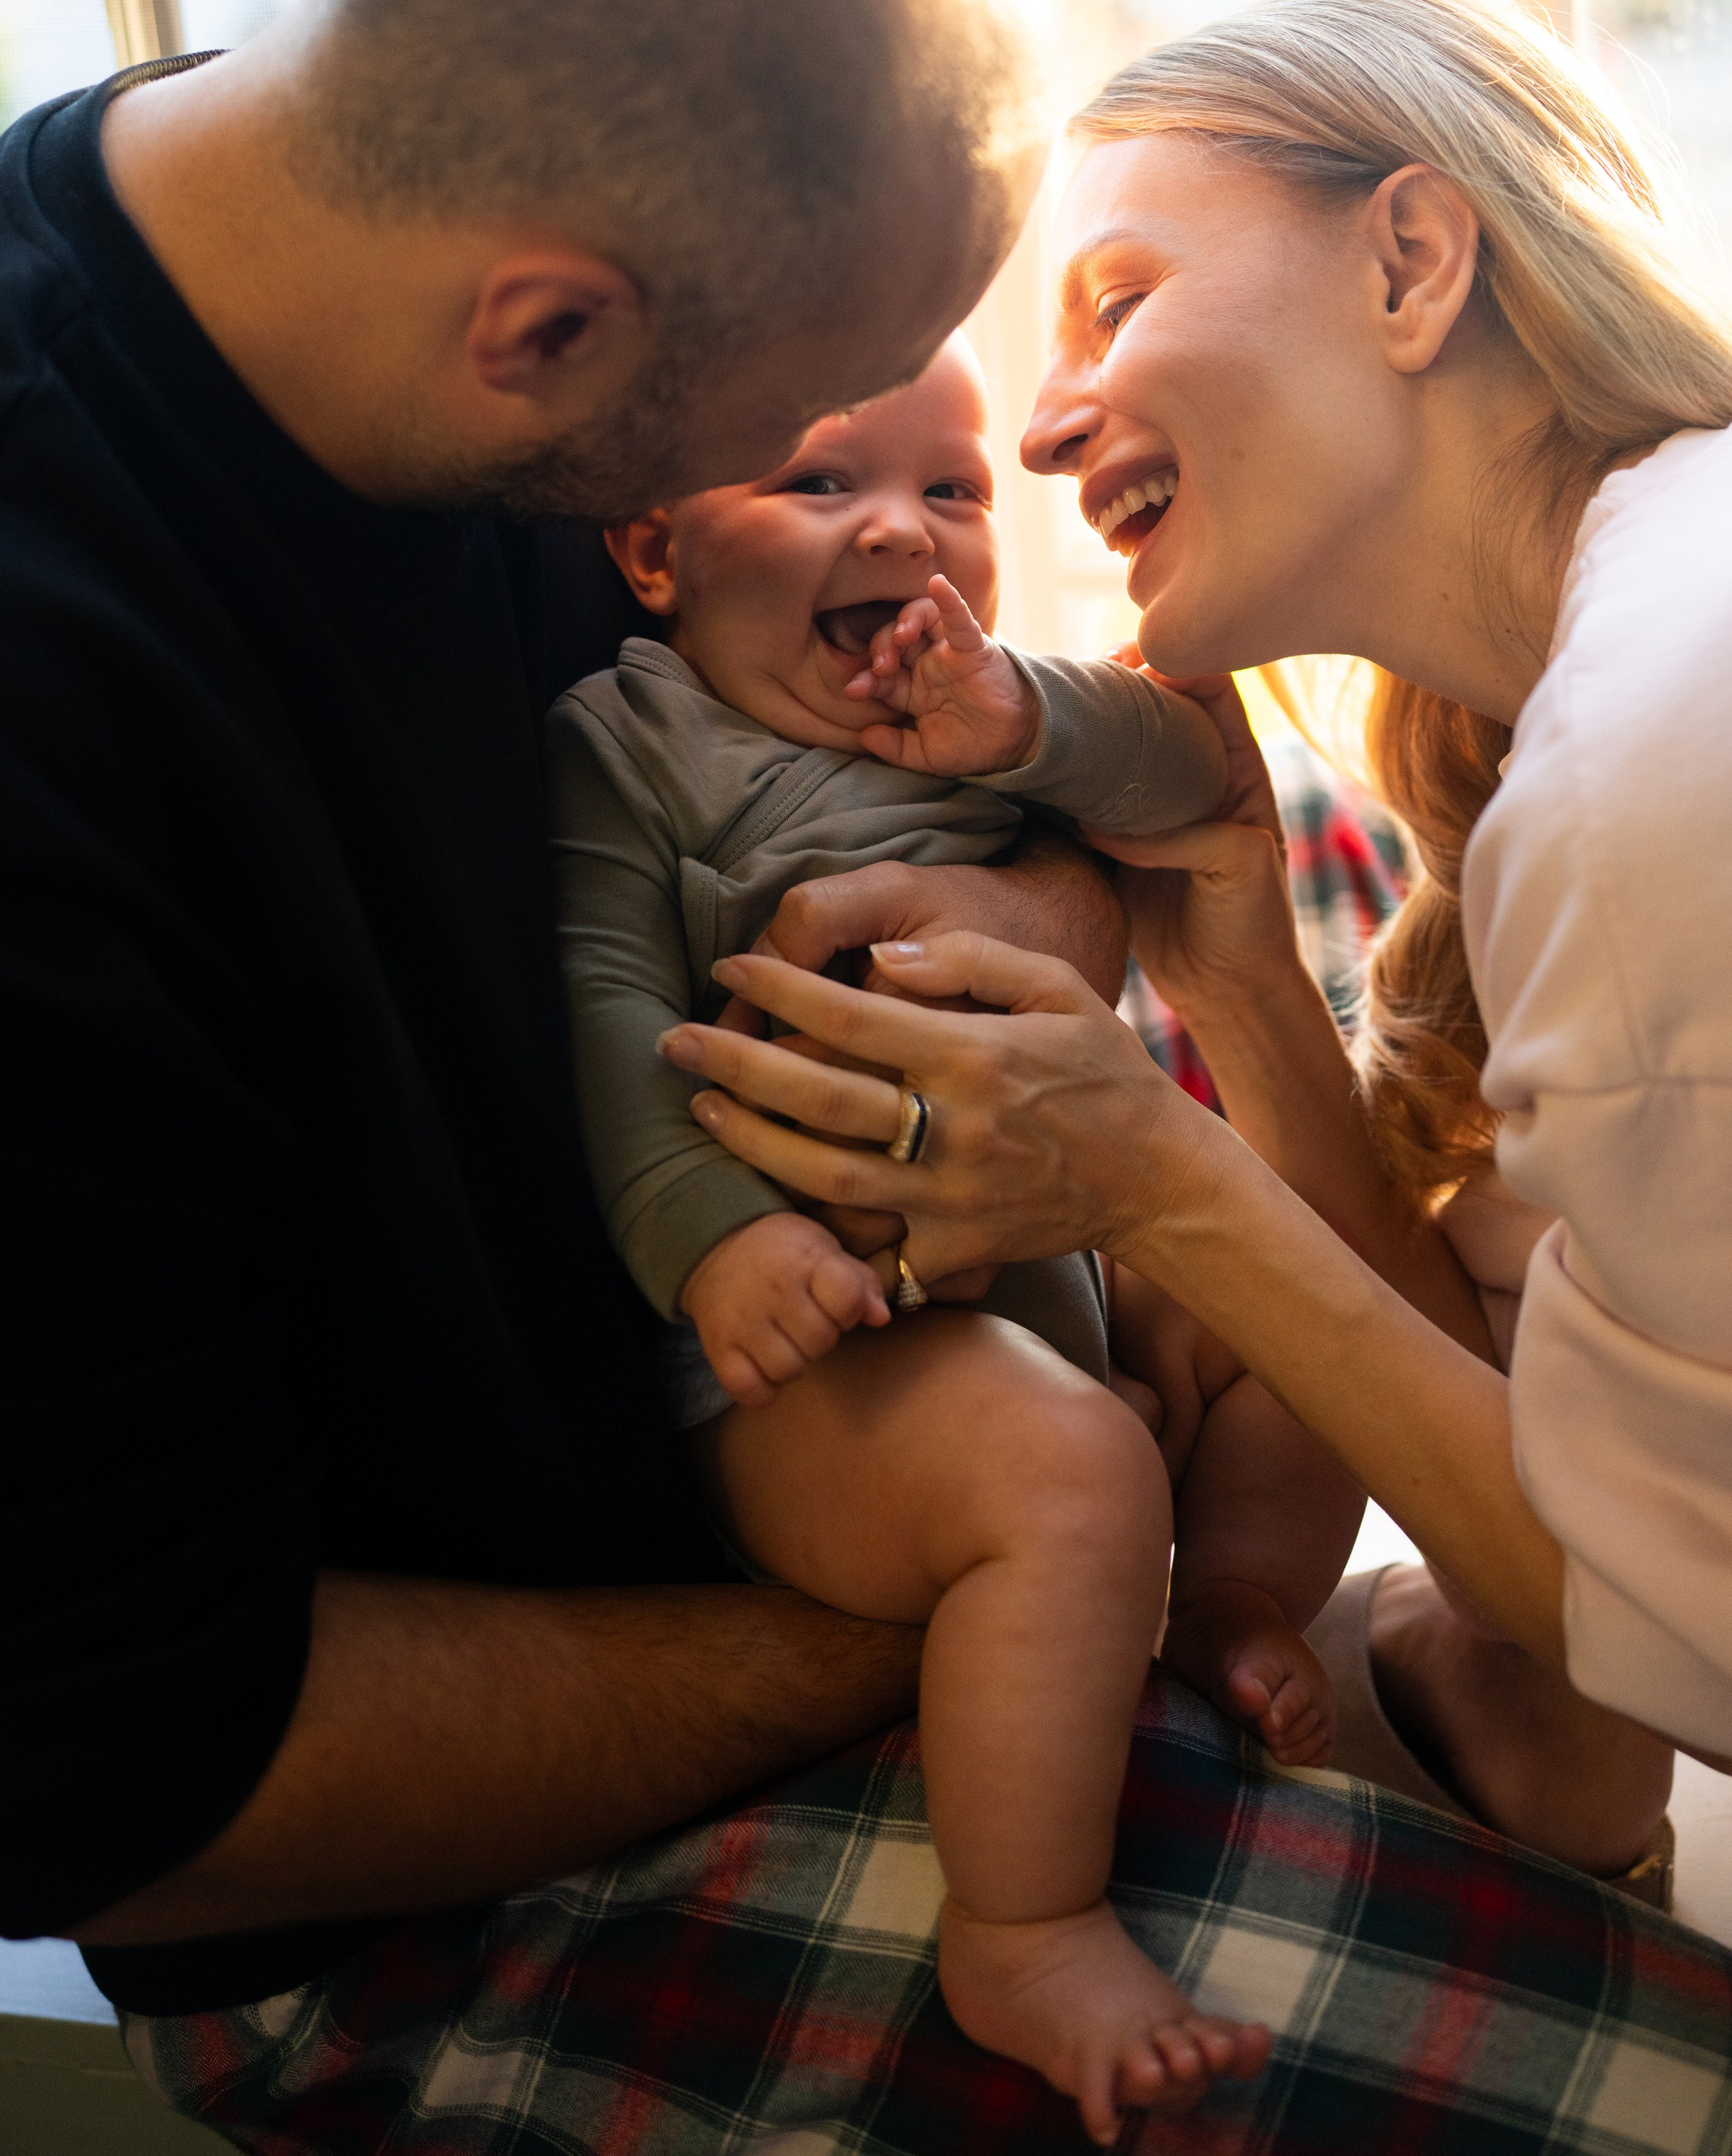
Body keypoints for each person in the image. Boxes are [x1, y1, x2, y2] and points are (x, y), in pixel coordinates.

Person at [0, 0, 1732, 2150]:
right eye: (802, 437)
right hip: (511, 1804)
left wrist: (1037, 913)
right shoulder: (13, 707)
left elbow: (971, 803)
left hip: (984, 1484)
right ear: (555, 346)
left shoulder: (431, 245)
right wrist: (1001, 1585)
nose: (1007, 471)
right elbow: (105, 1775)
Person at [659, 0, 1732, 1905]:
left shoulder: (1648, 788)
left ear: (1411, 265)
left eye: (1117, 301)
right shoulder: (1721, 574)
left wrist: (1155, 1177)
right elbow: (1541, 1449)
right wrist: (1231, 970)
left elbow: (1727, 1659)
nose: (1042, 432)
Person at [550, 333, 1360, 2139]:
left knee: (1298, 1302)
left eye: (951, 490)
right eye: (820, 481)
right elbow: (601, 1005)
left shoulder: (980, 718)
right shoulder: (630, 741)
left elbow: (1183, 773)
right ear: (655, 549)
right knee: (1064, 1472)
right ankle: (1024, 1930)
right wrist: (717, 1246)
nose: (903, 531)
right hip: (815, 1355)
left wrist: (1020, 721)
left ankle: (1222, 1601)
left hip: (1058, 1267)